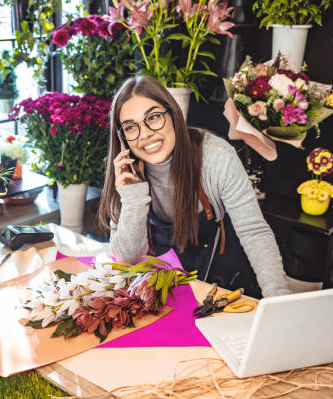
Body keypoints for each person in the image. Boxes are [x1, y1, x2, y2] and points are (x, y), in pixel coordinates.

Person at [98, 76, 291, 298]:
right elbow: (126, 259)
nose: (145, 133)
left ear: (173, 114)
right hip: (155, 290)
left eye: (153, 117)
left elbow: (254, 232)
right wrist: (133, 198)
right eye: (131, 127)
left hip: (212, 285)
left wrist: (278, 298)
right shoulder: (124, 171)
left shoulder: (216, 157)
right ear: (122, 137)